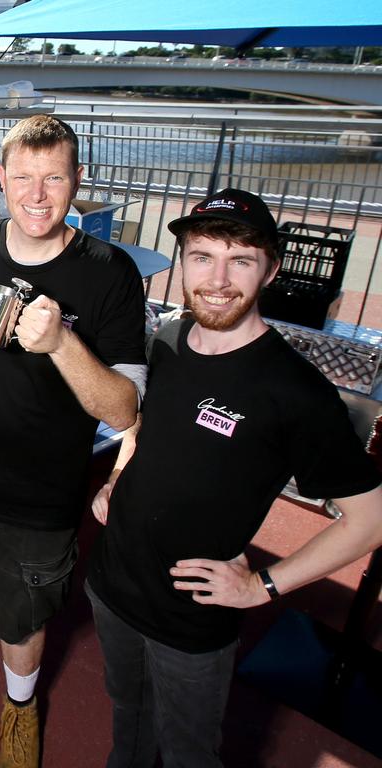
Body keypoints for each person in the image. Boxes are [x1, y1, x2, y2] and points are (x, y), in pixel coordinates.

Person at [87, 188, 382, 768]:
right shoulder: (166, 340)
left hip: (190, 620)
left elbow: (371, 521)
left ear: (269, 268)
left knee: (190, 752)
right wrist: (117, 477)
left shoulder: (296, 393)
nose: (218, 278)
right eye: (202, 256)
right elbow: (143, 425)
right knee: (127, 717)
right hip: (112, 584)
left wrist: (262, 587)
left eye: (239, 260)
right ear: (184, 262)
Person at [0, 114, 147, 767]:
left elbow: (124, 410)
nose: (37, 195)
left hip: (44, 495)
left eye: (54, 178)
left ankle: (20, 707)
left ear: (78, 181)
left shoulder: (110, 272)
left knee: (24, 619)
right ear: (1, 179)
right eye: (23, 178)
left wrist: (62, 343)